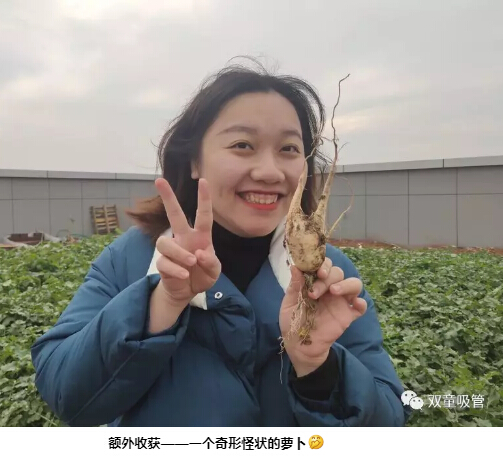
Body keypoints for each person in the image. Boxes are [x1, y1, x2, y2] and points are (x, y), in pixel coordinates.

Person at [31, 60, 410, 427]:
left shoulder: (331, 274)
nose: (270, 172)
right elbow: (65, 391)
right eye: (243, 144)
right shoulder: (131, 258)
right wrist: (162, 303)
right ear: (194, 160)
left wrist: (318, 367)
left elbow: (389, 417)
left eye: (289, 149)